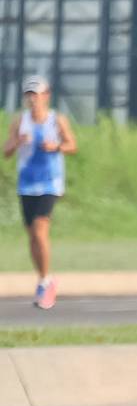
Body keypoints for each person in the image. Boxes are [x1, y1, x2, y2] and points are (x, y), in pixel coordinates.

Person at [11, 76, 77, 310]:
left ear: (46, 96)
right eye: (29, 95)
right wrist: (18, 142)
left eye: (36, 94)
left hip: (50, 183)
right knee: (32, 235)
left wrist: (56, 147)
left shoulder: (56, 120)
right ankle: (44, 279)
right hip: (26, 184)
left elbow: (72, 145)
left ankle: (45, 283)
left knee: (40, 230)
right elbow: (6, 150)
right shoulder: (20, 121)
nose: (33, 99)